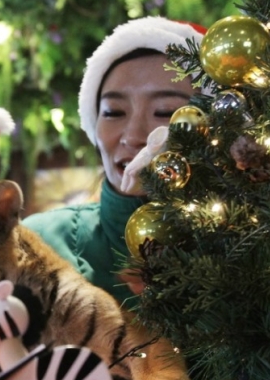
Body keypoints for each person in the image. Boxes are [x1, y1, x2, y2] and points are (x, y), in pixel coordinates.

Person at [21, 17, 206, 308]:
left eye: (164, 111)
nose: (133, 136)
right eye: (113, 112)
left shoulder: (264, 254)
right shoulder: (36, 243)